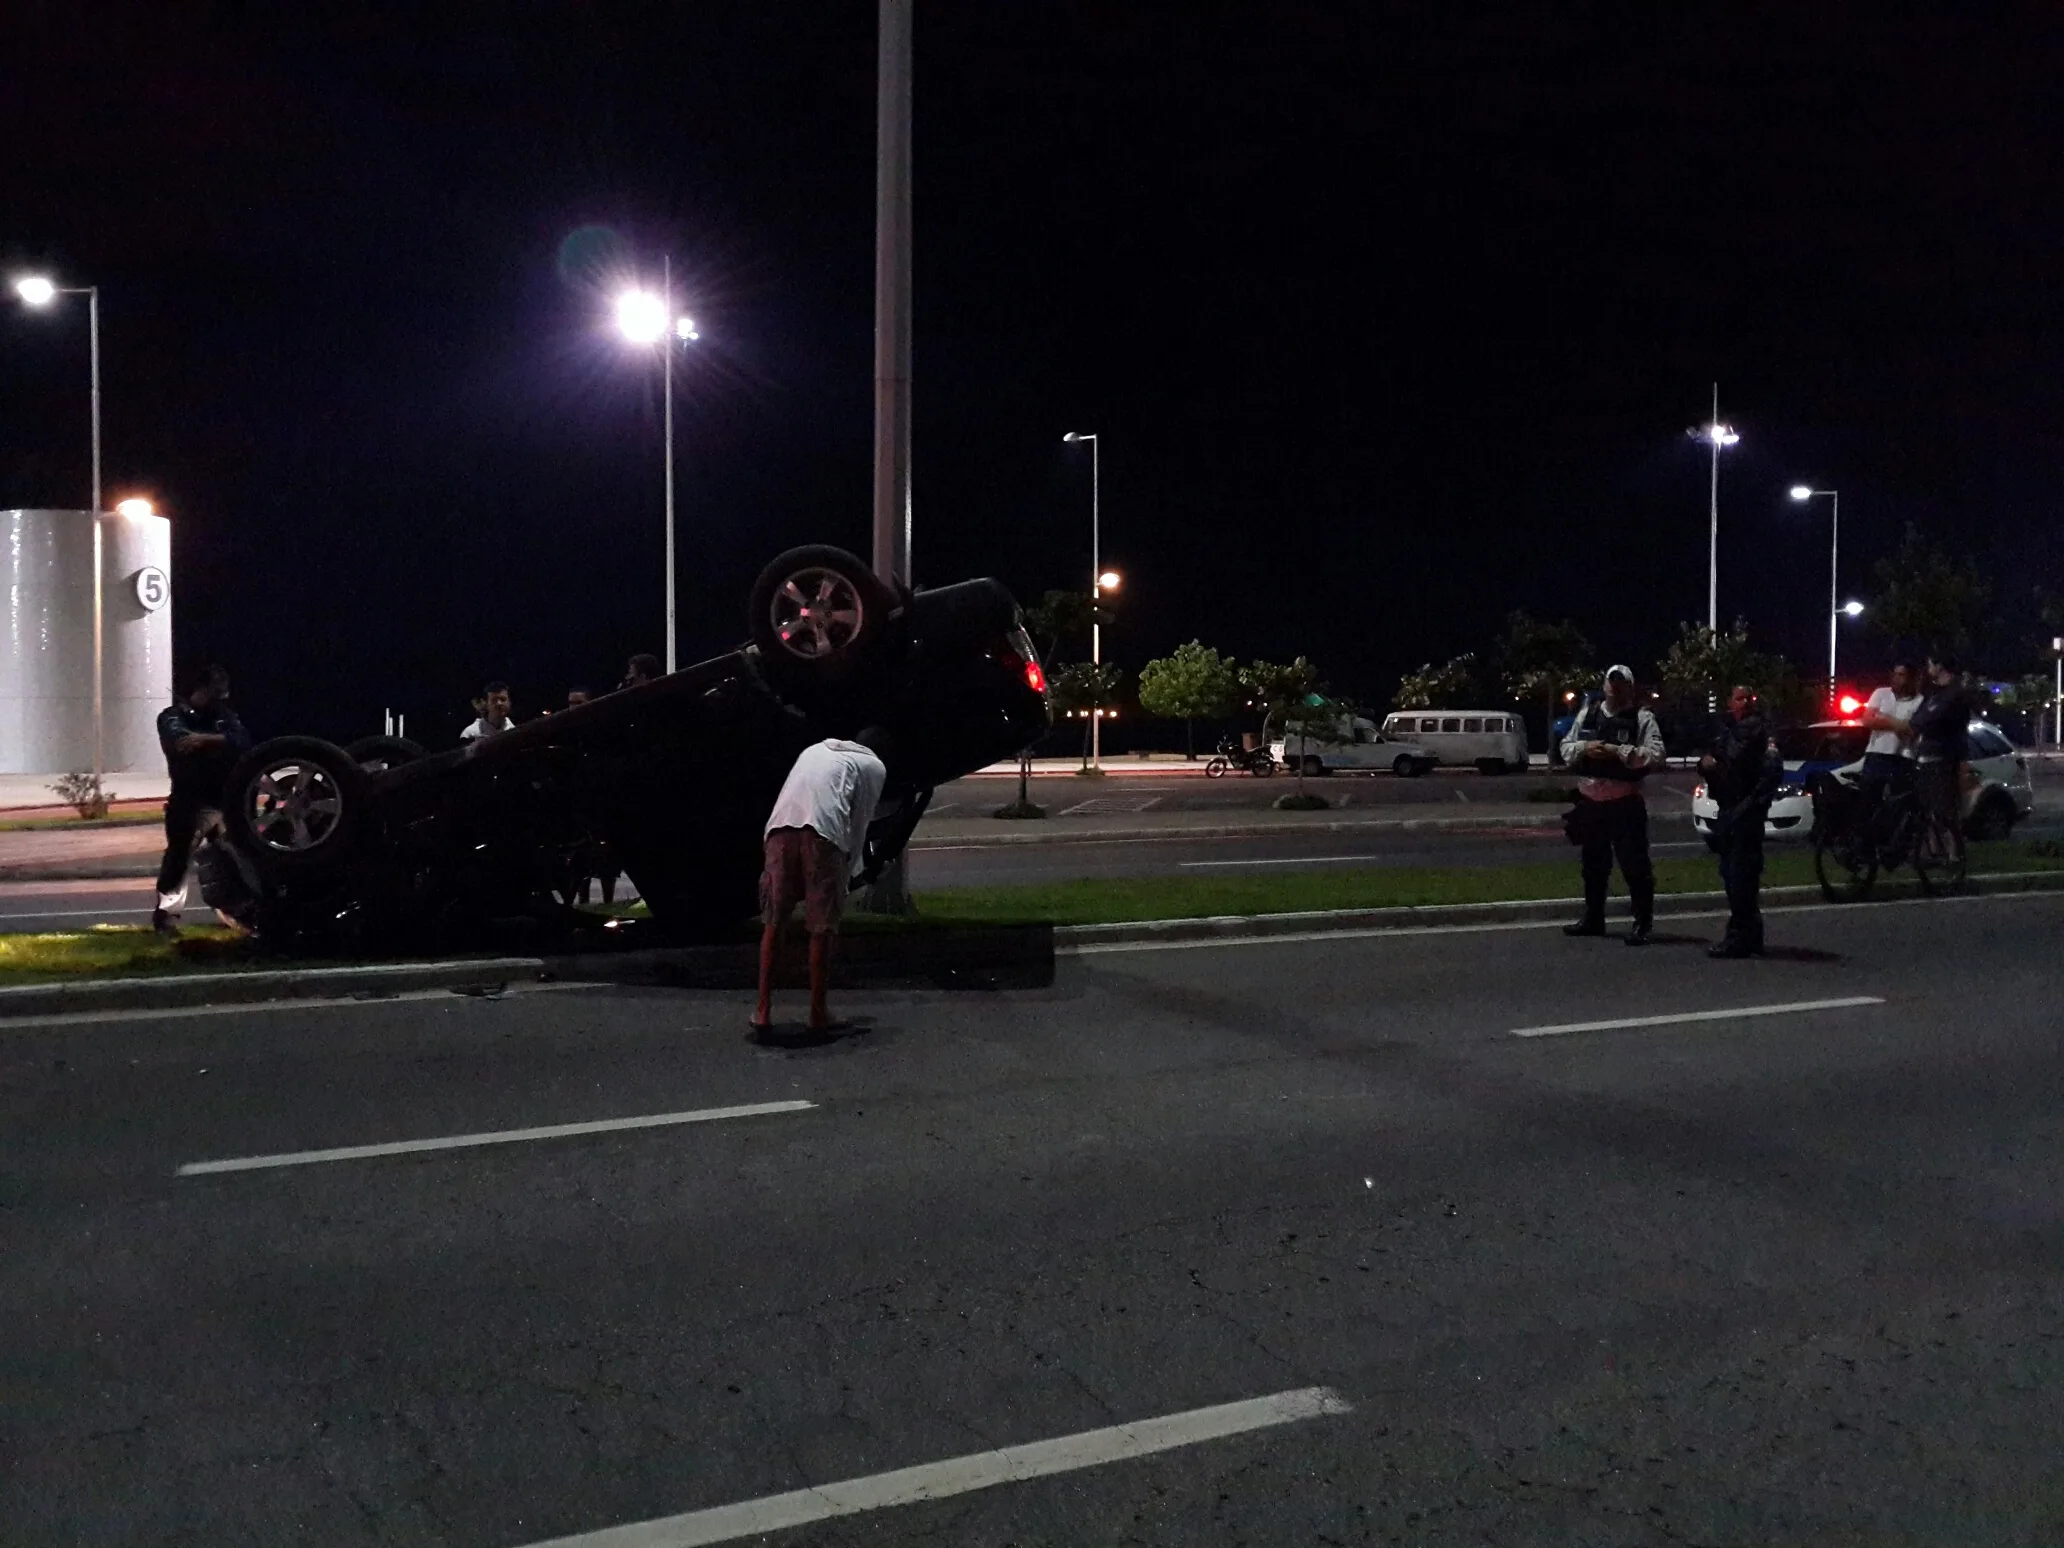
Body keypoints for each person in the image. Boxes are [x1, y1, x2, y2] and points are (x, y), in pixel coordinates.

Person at [754, 732, 890, 1034]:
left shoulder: (814, 749)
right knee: (821, 927)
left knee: (774, 921)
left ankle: (762, 1010)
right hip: (823, 835)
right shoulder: (873, 766)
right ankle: (818, 1013)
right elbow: (859, 822)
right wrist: (849, 872)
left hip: (779, 829)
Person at [1560, 664, 1665, 945]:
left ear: (1630, 687)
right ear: (1605, 685)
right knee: (1593, 866)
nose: (1615, 688)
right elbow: (1566, 748)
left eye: (1621, 684)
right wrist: (1586, 748)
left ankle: (1642, 923)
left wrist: (1619, 752)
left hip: (1624, 804)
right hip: (1591, 804)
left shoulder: (1642, 718)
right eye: (1611, 682)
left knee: (1635, 867)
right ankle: (1593, 918)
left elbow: (1656, 755)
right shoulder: (1588, 714)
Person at [153, 663, 251, 933]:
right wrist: (217, 742)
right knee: (179, 857)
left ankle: (237, 912)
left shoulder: (224, 716)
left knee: (233, 857)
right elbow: (180, 741)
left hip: (224, 800)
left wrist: (206, 740)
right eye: (216, 691)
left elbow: (241, 742)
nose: (221, 698)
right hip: (190, 802)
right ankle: (167, 915)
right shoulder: (173, 716)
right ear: (202, 688)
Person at [1699, 684, 1781, 958]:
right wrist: (1708, 765)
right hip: (1728, 809)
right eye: (1739, 698)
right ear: (1730, 701)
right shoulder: (1726, 730)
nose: (1744, 702)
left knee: (1741, 877)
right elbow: (1712, 760)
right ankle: (1746, 936)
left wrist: (1751, 806)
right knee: (1732, 875)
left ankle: (1741, 937)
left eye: (1748, 697)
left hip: (1745, 812)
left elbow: (1769, 772)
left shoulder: (1759, 731)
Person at [1907, 651, 1975, 854]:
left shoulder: (1955, 694)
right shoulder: (1934, 693)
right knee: (1928, 808)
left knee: (1946, 808)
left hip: (1945, 758)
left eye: (1930, 665)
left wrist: (1923, 723)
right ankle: (1934, 851)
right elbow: (1918, 719)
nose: (1928, 670)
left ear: (1940, 667)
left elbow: (1933, 719)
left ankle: (1953, 853)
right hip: (1926, 757)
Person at [1856, 656, 1922, 811]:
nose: (1896, 679)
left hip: (1903, 758)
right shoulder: (1881, 694)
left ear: (1911, 678)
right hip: (1876, 755)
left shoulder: (1919, 701)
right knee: (1868, 801)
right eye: (1895, 674)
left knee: (1899, 804)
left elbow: (1912, 731)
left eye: (1901, 675)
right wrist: (1899, 724)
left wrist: (1884, 717)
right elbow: (1868, 721)